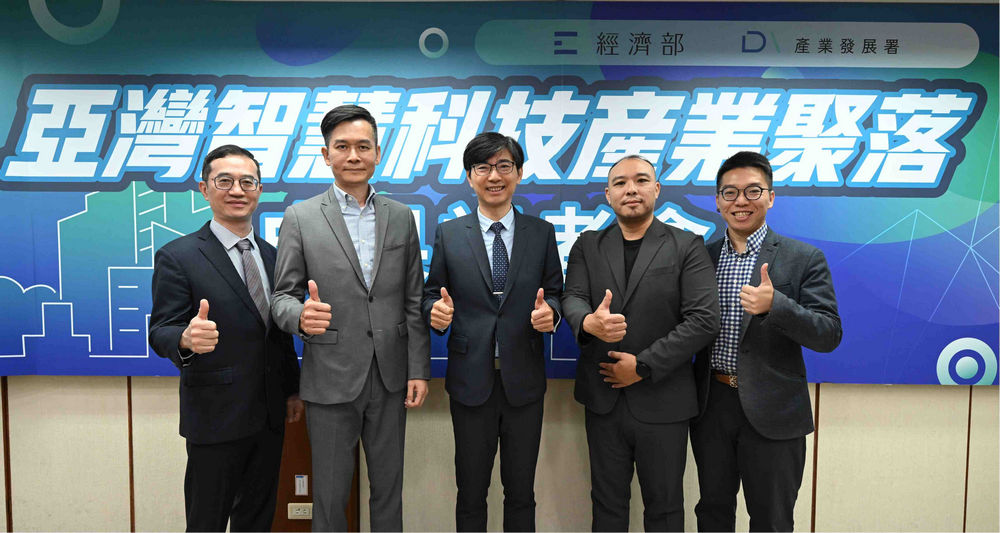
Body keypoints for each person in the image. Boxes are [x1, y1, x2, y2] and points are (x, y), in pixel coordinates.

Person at [270, 104, 431, 532]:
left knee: (388, 491)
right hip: (330, 375)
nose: (354, 155)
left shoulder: (401, 216)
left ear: (378, 152)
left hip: (391, 375)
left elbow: (413, 299)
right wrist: (300, 316)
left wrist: (418, 369)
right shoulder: (301, 217)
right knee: (329, 494)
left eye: (363, 146)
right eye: (342, 147)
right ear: (326, 155)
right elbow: (281, 297)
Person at [561, 155, 720, 531]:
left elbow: (704, 319)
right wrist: (588, 322)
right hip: (603, 399)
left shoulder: (686, 245)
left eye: (641, 180)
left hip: (664, 399)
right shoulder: (588, 244)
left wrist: (644, 365)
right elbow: (573, 297)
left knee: (664, 509)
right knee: (606, 505)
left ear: (656, 189)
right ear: (608, 195)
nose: (630, 189)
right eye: (620, 183)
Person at [148, 144, 302, 532]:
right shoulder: (178, 256)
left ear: (259, 190)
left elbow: (279, 333)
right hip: (215, 416)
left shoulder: (274, 256)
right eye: (225, 181)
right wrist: (185, 338)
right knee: (207, 521)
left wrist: (292, 390)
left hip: (269, 414)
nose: (237, 190)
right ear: (204, 189)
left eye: (247, 182)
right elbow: (161, 330)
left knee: (257, 520)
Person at [691, 151, 842, 532]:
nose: (740, 201)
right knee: (712, 513)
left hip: (774, 410)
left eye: (753, 191)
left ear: (770, 197)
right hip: (712, 405)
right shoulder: (701, 257)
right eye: (730, 192)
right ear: (718, 201)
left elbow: (829, 333)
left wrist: (777, 305)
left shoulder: (803, 258)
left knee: (772, 520)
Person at [421, 132, 563, 532]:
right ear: (470, 177)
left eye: (504, 166)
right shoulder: (450, 233)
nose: (494, 176)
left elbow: (555, 292)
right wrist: (435, 312)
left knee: (521, 492)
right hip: (470, 382)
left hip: (524, 382)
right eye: (483, 167)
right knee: (470, 492)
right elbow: (432, 293)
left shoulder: (541, 232)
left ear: (518, 173)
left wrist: (551, 314)